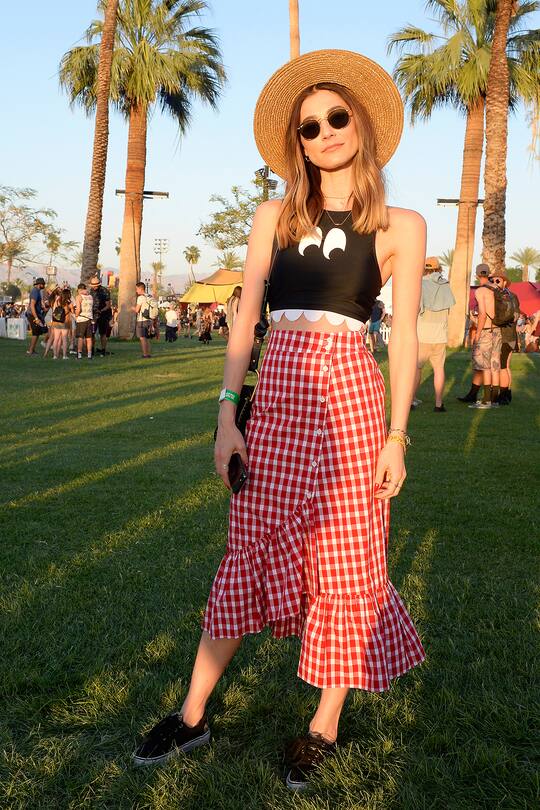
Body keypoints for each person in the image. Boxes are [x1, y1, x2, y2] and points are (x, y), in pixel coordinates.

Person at [132, 49, 426, 789]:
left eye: (336, 116)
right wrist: (227, 415)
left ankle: (322, 725)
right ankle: (192, 717)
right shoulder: (274, 215)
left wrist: (397, 437)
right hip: (280, 397)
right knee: (249, 546)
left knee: (350, 559)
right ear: (296, 144)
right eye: (309, 126)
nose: (325, 131)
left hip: (353, 398)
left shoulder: (402, 225)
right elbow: (242, 324)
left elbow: (406, 338)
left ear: (360, 121)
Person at [413, 256, 455, 412]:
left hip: (422, 333)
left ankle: (410, 400)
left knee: (417, 369)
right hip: (440, 334)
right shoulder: (446, 285)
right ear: (438, 268)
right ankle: (438, 403)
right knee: (439, 369)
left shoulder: (421, 284)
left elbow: (415, 308)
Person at [458, 264, 501, 408]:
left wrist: (478, 333)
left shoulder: (481, 291)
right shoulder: (496, 288)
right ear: (489, 274)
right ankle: (495, 399)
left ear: (477, 275)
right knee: (495, 364)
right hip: (498, 330)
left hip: (487, 330)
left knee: (484, 365)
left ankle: (486, 400)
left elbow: (482, 313)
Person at [489, 272, 519, 405]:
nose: (495, 283)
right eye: (493, 280)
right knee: (505, 366)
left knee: (502, 366)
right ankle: (506, 394)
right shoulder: (513, 296)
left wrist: (495, 321)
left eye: (498, 280)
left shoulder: (504, 297)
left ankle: (503, 394)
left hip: (506, 335)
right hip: (511, 335)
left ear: (504, 282)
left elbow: (509, 316)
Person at [89, 274, 113, 356]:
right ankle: (91, 350)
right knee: (92, 333)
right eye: (92, 285)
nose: (94, 287)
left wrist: (101, 311)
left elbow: (108, 305)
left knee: (103, 334)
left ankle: (103, 350)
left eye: (95, 285)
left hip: (103, 315)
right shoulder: (91, 291)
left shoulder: (104, 291)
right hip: (93, 316)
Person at [25, 277, 46, 355]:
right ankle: (30, 351)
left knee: (37, 332)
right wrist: (36, 318)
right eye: (43, 284)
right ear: (40, 284)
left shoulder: (38, 291)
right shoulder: (35, 291)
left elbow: (37, 304)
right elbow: (32, 305)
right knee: (35, 333)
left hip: (35, 314)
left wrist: (43, 307)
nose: (44, 285)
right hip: (32, 315)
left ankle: (32, 350)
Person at [132, 281, 152, 358]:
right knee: (147, 338)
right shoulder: (149, 296)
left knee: (142, 338)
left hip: (142, 320)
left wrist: (132, 308)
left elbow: (137, 310)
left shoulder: (140, 298)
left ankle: (145, 354)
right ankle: (148, 353)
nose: (136, 291)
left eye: (137, 289)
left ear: (140, 289)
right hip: (148, 319)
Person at [74, 283, 94, 359]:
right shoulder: (90, 297)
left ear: (79, 290)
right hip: (89, 319)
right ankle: (89, 354)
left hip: (81, 319)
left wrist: (76, 315)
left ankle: (79, 354)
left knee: (80, 337)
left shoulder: (79, 297)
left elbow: (79, 309)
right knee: (89, 338)